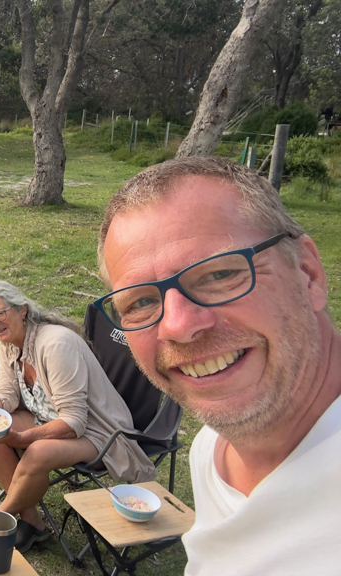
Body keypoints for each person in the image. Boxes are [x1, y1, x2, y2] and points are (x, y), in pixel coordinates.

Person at [97, 157, 341, 574]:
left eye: (219, 274)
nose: (178, 326)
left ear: (308, 274)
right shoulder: (211, 450)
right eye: (140, 302)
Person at [0, 280, 155, 553]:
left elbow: (74, 422)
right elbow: (5, 397)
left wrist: (23, 438)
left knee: (37, 452)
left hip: (98, 434)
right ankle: (32, 523)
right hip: (47, 418)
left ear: (22, 310)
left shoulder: (56, 345)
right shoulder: (10, 343)